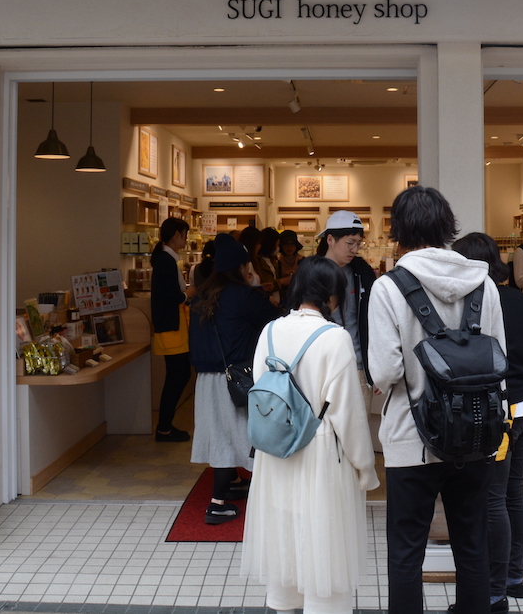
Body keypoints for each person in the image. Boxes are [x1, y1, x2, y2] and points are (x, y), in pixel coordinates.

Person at [368, 186, 506, 614]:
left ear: (399, 232)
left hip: (412, 440)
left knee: (407, 551)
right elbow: (499, 358)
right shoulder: (484, 283)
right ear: (447, 228)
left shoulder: (388, 288)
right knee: (471, 542)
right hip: (477, 435)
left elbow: (387, 372)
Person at [241, 257, 380, 614]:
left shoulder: (269, 331)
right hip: (320, 451)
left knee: (285, 532)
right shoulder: (335, 338)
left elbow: (262, 391)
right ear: (331, 295)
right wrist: (365, 468)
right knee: (323, 539)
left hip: (277, 450)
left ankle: (286, 602)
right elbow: (347, 413)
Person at [452, 232, 523, 607]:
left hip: (500, 412)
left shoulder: (477, 304)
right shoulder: (520, 300)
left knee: (491, 498)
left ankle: (494, 593)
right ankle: (515, 577)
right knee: (512, 495)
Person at [188, 233, 283, 524]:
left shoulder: (202, 295)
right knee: (240, 435)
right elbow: (275, 318)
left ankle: (229, 484)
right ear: (243, 267)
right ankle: (217, 505)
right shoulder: (244, 296)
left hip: (207, 379)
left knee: (221, 434)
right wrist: (256, 286)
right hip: (236, 379)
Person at [317, 210, 376, 390]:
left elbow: (374, 317)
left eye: (359, 244)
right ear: (330, 240)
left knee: (359, 419)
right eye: (350, 243)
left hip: (356, 365)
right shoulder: (311, 272)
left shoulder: (362, 271)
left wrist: (374, 366)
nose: (355, 249)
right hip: (320, 367)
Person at [151, 216, 194, 443]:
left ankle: (165, 426)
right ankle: (164, 427)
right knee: (178, 375)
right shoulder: (166, 261)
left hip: (172, 326)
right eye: (185, 235)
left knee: (178, 374)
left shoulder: (166, 259)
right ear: (177, 234)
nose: (186, 240)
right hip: (171, 326)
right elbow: (173, 296)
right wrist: (189, 294)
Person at [238, 226, 277, 294]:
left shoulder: (254, 261)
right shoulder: (243, 264)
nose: (260, 246)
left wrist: (261, 288)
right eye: (258, 243)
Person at [274, 228, 304, 301]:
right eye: (286, 244)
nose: (289, 247)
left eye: (292, 244)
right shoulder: (276, 262)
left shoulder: (303, 261)